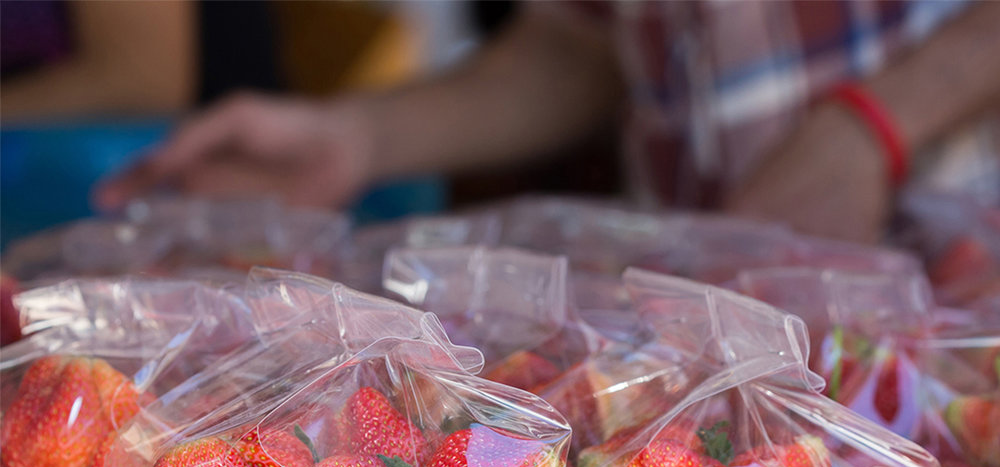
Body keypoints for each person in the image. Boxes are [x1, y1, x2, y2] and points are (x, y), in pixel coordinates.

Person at [95, 0, 1000, 243]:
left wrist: (873, 125)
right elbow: (580, 47)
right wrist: (358, 137)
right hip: (723, 321)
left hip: (962, 305)